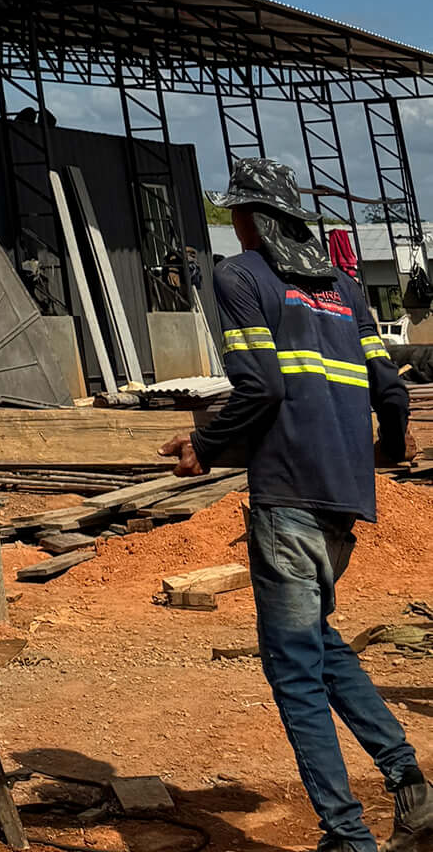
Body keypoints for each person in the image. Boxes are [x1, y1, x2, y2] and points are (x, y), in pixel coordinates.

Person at [162, 157, 427, 852]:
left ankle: (347, 835)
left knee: (293, 670)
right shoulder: (344, 289)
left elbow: (263, 389)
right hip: (344, 501)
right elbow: (393, 395)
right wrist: (387, 449)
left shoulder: (240, 276)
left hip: (287, 500)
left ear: (246, 217)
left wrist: (205, 446)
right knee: (319, 644)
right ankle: (410, 784)